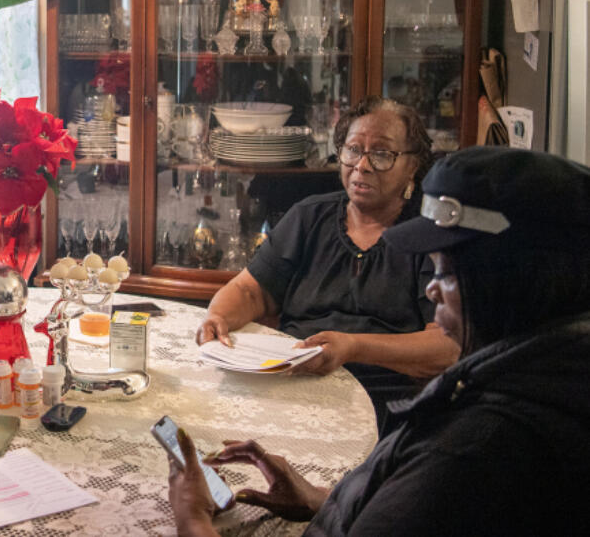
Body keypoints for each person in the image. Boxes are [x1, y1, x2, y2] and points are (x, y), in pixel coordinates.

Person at [169, 146, 590, 536]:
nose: (432, 289)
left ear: (506, 279)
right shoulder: (542, 378)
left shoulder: (473, 454)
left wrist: (192, 515)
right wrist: (328, 498)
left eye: (444, 270)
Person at [195, 97, 458, 423]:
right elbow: (251, 291)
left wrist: (354, 347)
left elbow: (447, 346)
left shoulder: (428, 236)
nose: (361, 166)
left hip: (383, 404)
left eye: (381, 154)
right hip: (290, 386)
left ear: (413, 166)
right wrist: (217, 317)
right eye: (352, 150)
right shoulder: (309, 216)